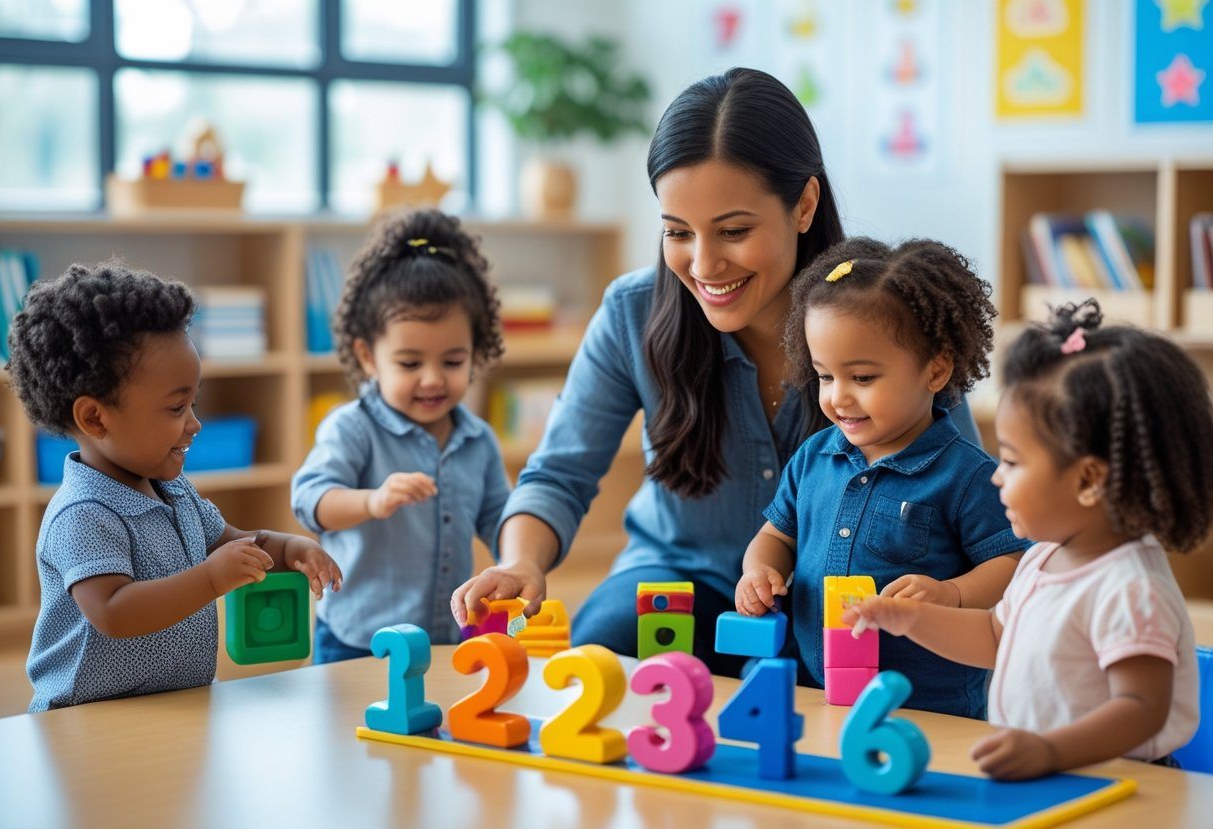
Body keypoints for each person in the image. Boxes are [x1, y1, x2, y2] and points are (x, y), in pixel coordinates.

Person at [450, 67, 982, 676]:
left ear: (804, 204)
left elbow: (966, 491)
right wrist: (523, 563)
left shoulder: (896, 317)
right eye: (678, 232)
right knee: (602, 655)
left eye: (733, 231)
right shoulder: (632, 312)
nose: (703, 264)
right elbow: (559, 474)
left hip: (839, 603)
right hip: (678, 582)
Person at [844, 299, 1210, 777]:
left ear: (1088, 480)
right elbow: (997, 635)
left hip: (1124, 784)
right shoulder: (1045, 559)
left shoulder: (1130, 587)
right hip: (1052, 779)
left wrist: (1051, 751)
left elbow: (1142, 708)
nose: (997, 477)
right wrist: (912, 619)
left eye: (1012, 462)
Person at [7, 262, 342, 712]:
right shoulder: (82, 513)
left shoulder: (174, 492)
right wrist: (210, 578)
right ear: (94, 418)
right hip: (86, 719)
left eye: (194, 403)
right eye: (176, 408)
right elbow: (113, 611)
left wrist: (288, 549)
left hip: (175, 705)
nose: (195, 423)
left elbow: (237, 545)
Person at [734, 237, 1028, 717]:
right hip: (817, 688)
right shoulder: (814, 458)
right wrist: (759, 571)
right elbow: (776, 535)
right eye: (826, 377)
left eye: (863, 378)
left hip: (929, 705)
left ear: (936, 371)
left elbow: (1013, 565)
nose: (838, 398)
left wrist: (952, 594)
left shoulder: (966, 475)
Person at [292, 209, 510, 661]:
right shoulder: (352, 427)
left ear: (476, 352)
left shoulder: (479, 440)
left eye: (452, 362)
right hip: (358, 640)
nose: (432, 379)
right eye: (410, 364)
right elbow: (311, 501)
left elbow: (500, 520)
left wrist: (519, 561)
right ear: (368, 357)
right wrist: (372, 501)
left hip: (446, 638)